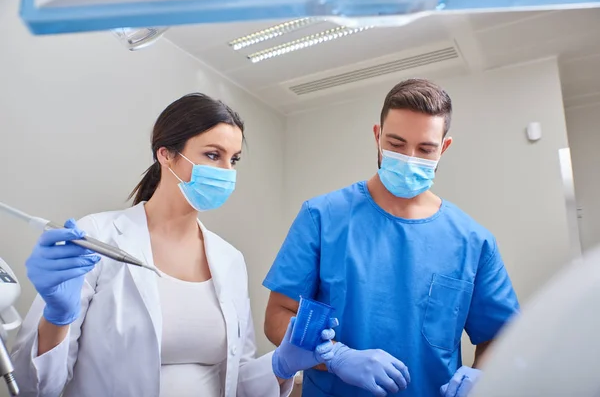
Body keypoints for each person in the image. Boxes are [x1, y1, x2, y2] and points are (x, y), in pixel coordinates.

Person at [10, 93, 336, 397]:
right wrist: (56, 317)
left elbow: (235, 380)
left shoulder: (229, 259)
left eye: (233, 159)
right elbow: (33, 386)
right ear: (165, 154)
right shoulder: (97, 236)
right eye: (212, 155)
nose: (227, 172)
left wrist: (280, 363)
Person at [262, 79, 520, 397]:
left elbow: (501, 335)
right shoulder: (322, 217)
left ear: (444, 148)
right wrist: (336, 357)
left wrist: (484, 376)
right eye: (396, 144)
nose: (409, 158)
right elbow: (278, 314)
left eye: (425, 148)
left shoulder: (473, 241)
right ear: (377, 137)